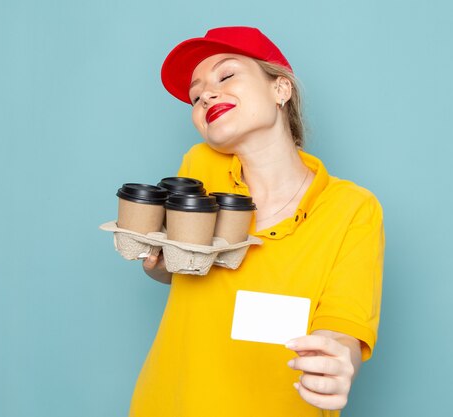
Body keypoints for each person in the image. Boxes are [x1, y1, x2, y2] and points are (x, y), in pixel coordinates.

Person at [131, 26, 384, 417]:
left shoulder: (352, 209)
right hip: (172, 404)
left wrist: (336, 362)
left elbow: (342, 325)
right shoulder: (199, 168)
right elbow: (179, 269)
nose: (206, 96)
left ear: (281, 89)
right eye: (196, 96)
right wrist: (161, 264)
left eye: (227, 75)